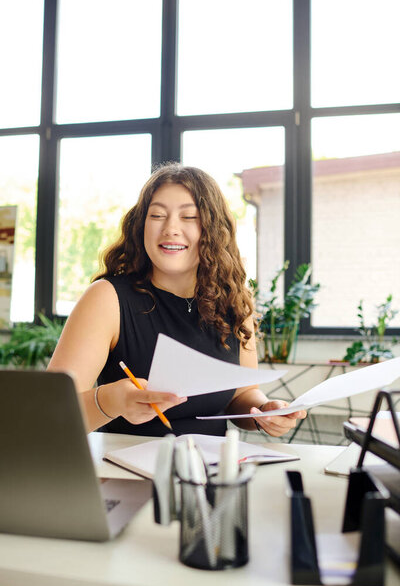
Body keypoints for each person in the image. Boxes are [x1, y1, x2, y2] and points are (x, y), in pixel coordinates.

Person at [48, 163, 306, 437]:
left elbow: (242, 392)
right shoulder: (107, 298)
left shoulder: (235, 301)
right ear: (141, 225)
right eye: (157, 215)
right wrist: (111, 401)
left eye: (189, 217)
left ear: (213, 230)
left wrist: (264, 411)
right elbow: (49, 413)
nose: (170, 228)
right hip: (125, 473)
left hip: (211, 472)